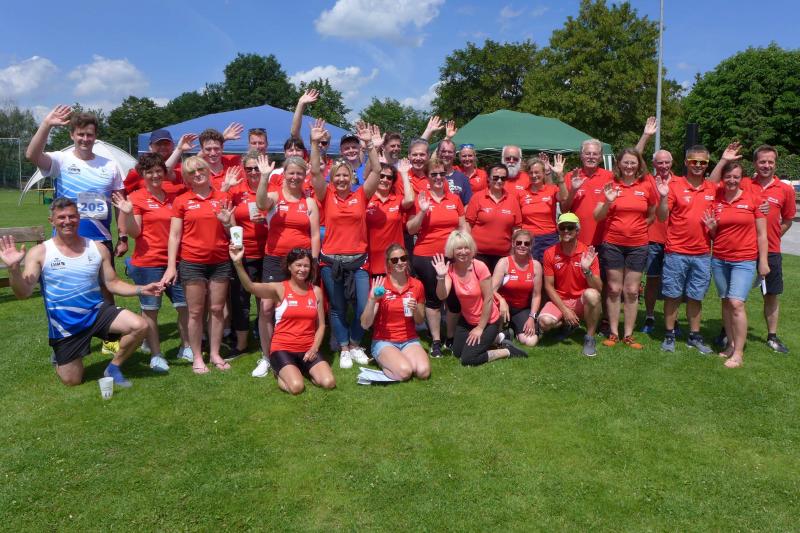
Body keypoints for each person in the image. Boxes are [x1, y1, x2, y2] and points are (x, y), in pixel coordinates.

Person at [0, 198, 159, 387]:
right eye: (61, 217)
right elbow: (23, 293)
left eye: (72, 216)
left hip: (96, 312)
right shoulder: (40, 252)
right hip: (66, 325)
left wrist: (141, 289)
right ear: (52, 221)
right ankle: (61, 356)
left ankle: (113, 367)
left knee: (140, 325)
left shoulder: (97, 248)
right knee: (72, 380)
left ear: (79, 218)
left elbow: (113, 283)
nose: (67, 221)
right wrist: (13, 269)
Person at [26, 105, 126, 355]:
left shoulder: (110, 166)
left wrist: (123, 236)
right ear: (72, 135)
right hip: (65, 245)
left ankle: (110, 343)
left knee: (107, 291)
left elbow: (119, 204)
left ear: (95, 136)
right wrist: (46, 125)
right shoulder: (61, 160)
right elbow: (32, 155)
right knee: (65, 296)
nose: (85, 139)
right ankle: (65, 344)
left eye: (89, 134)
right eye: (80, 134)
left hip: (100, 241)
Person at [310, 119, 382, 369]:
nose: (341, 179)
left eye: (345, 175)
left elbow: (376, 171)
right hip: (331, 262)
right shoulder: (325, 194)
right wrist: (314, 144)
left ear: (352, 177)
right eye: (337, 176)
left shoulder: (361, 194)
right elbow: (315, 172)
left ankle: (355, 342)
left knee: (363, 305)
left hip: (359, 261)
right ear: (332, 179)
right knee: (338, 307)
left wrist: (369, 145)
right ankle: (343, 347)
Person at [111, 153, 192, 372]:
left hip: (176, 260)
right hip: (148, 263)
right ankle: (156, 355)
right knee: (150, 311)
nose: (155, 176)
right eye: (150, 172)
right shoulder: (136, 197)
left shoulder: (174, 194)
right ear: (143, 175)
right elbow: (135, 232)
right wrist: (127, 214)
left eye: (158, 171)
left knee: (184, 307)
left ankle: (186, 346)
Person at [713, 143, 795, 353]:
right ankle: (727, 332)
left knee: (771, 294)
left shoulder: (785, 189)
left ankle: (772, 336)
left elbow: (788, 219)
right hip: (741, 251)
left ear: (775, 164)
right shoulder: (744, 182)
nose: (766, 165)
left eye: (770, 162)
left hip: (771, 249)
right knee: (732, 297)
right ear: (755, 163)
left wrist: (774, 235)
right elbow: (713, 185)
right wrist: (724, 160)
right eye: (762, 161)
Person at [161, 156, 235, 374]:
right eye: (192, 172)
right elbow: (174, 236)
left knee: (217, 309)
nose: (198, 174)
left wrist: (227, 223)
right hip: (192, 262)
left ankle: (215, 353)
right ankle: (196, 357)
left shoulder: (223, 197)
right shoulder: (181, 201)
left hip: (220, 261)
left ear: (208, 171)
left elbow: (234, 233)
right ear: (186, 178)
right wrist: (171, 266)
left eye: (201, 169)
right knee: (195, 312)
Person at [230, 246, 334, 394]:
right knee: (297, 387)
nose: (302, 269)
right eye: (298, 265)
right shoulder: (279, 288)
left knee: (328, 382)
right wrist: (238, 263)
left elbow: (322, 325)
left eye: (306, 266)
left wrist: (314, 348)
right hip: (283, 349)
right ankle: (279, 370)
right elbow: (250, 287)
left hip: (307, 348)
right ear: (289, 267)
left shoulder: (316, 291)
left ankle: (300, 368)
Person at [254, 154, 320, 377]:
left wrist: (313, 263)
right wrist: (264, 177)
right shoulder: (275, 196)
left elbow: (314, 235)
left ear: (304, 175)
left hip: (301, 263)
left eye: (299, 173)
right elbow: (261, 203)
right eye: (291, 173)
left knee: (301, 307)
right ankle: (267, 356)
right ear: (284, 174)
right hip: (274, 259)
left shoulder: (309, 202)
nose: (295, 177)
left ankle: (300, 350)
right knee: (266, 308)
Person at [705, 161, 769, 368]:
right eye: (728, 176)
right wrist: (712, 228)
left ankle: (739, 353)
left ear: (742, 178)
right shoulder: (717, 201)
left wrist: (763, 262)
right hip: (720, 259)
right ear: (723, 178)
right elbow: (715, 235)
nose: (732, 180)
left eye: (736, 177)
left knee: (736, 303)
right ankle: (730, 345)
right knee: (725, 302)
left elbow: (762, 235)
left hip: (744, 260)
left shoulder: (753, 199)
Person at [655, 145, 718, 354]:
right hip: (676, 252)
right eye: (694, 161)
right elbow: (662, 216)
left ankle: (694, 335)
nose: (698, 165)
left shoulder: (712, 188)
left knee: (695, 296)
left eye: (702, 162)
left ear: (707, 164)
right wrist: (663, 197)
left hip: (702, 253)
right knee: (672, 296)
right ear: (686, 163)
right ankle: (669, 334)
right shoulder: (674, 185)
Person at [431, 231, 528, 365]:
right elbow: (442, 295)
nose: (463, 252)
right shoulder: (450, 269)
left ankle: (508, 351)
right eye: (459, 248)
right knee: (457, 352)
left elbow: (488, 299)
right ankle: (498, 339)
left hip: (488, 320)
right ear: (452, 250)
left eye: (466, 248)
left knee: (468, 359)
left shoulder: (479, 267)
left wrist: (480, 328)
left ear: (471, 249)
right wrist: (441, 277)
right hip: (467, 320)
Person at [593, 148, 657, 349]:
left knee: (631, 291)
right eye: (626, 162)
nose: (629, 166)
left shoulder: (646, 185)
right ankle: (613, 333)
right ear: (619, 164)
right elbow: (597, 216)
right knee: (613, 289)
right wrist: (608, 201)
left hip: (638, 245)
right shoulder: (610, 185)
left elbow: (652, 213)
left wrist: (638, 228)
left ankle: (628, 334)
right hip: (613, 244)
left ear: (638, 165)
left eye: (633, 163)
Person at [407, 156, 468, 357]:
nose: (439, 177)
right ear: (427, 176)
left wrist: (465, 249)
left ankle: (450, 337)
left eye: (442, 173)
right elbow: (411, 229)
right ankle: (435, 341)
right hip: (427, 256)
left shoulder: (454, 199)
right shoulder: (421, 198)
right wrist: (423, 212)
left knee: (454, 299)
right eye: (434, 174)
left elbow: (462, 226)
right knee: (433, 299)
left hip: (452, 256)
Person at [225, 150, 272, 359]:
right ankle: (242, 343)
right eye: (249, 168)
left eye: (256, 168)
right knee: (241, 299)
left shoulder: (272, 188)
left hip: (269, 253)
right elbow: (227, 217)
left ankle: (265, 339)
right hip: (245, 253)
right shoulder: (236, 190)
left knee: (266, 300)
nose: (253, 172)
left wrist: (266, 221)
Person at [360, 244, 430, 381]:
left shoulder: (417, 285)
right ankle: (382, 359)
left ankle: (397, 360)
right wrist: (372, 300)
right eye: (394, 260)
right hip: (384, 341)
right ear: (389, 264)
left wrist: (415, 309)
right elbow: (365, 324)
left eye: (403, 258)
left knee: (423, 372)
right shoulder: (380, 286)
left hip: (409, 339)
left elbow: (420, 321)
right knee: (405, 372)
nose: (400, 262)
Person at [538, 213, 603, 357]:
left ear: (577, 230)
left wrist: (586, 270)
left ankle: (590, 338)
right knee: (544, 322)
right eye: (562, 227)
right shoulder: (550, 253)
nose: (566, 231)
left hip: (581, 300)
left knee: (592, 295)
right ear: (558, 230)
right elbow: (549, 286)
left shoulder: (587, 252)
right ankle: (567, 323)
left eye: (570, 227)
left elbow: (599, 288)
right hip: (561, 300)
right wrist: (565, 310)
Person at [641, 149, 675, 334]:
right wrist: (646, 136)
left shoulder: (680, 182)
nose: (663, 166)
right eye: (660, 163)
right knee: (653, 280)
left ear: (672, 162)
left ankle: (673, 319)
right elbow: (636, 155)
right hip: (653, 238)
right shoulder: (648, 181)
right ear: (654, 164)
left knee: (673, 283)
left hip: (675, 240)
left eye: (666, 162)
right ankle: (650, 315)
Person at [465, 163, 521, 272]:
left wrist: (513, 252)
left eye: (503, 178)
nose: (499, 181)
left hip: (503, 256)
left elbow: (517, 229)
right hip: (478, 254)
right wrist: (468, 249)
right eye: (495, 177)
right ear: (488, 178)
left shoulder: (512, 200)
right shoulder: (477, 197)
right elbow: (468, 225)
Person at [492, 229, 543, 347]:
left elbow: (536, 295)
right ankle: (505, 330)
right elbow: (491, 290)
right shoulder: (504, 263)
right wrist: (501, 301)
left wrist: (532, 317)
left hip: (521, 309)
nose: (522, 246)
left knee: (531, 341)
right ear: (513, 243)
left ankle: (511, 331)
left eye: (526, 243)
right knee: (492, 339)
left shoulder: (536, 266)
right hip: (502, 308)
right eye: (519, 242)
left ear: (531, 246)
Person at [366, 160, 415, 276]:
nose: (385, 180)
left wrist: (404, 174)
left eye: (389, 177)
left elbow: (410, 200)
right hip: (372, 258)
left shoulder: (397, 199)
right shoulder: (366, 199)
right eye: (381, 176)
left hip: (395, 259)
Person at [561, 139, 614, 247]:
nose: (591, 157)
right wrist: (573, 190)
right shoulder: (570, 176)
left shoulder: (610, 177)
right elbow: (564, 210)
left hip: (605, 239)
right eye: (587, 153)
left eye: (595, 154)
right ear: (581, 156)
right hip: (578, 239)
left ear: (600, 157)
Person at [518, 154, 568, 263]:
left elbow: (564, 197)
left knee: (550, 269)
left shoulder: (552, 189)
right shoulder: (522, 193)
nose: (534, 175)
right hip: (529, 238)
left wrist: (560, 176)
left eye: (537, 172)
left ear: (543, 173)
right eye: (531, 172)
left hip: (550, 238)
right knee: (531, 270)